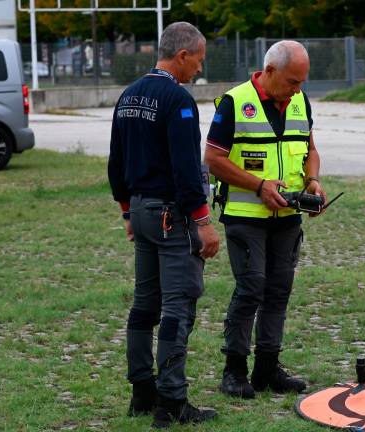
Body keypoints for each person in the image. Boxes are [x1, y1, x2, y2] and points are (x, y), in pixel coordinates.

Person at [107, 21, 220, 428]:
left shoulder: (128, 96)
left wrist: (127, 212)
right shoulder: (179, 101)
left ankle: (142, 390)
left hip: (140, 210)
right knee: (177, 306)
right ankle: (171, 401)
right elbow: (188, 171)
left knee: (144, 304)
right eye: (198, 62)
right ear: (183, 55)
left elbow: (116, 163)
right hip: (173, 216)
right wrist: (204, 223)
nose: (199, 71)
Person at [204, 40, 325, 399]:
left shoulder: (300, 101)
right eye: (292, 81)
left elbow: (310, 149)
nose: (297, 89)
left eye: (302, 82)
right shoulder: (234, 102)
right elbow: (212, 159)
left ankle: (268, 369)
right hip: (246, 216)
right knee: (251, 287)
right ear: (269, 71)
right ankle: (234, 369)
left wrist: (313, 180)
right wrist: (258, 186)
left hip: (288, 215)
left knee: (278, 290)